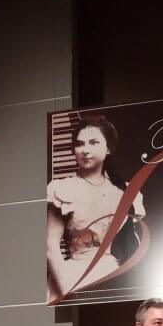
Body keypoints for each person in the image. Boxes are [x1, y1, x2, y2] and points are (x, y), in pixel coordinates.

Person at [46, 115, 145, 303]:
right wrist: (68, 290)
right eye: (79, 144)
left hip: (112, 275)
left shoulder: (124, 191)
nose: (85, 150)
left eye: (93, 142)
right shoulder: (62, 189)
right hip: (71, 276)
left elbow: (131, 245)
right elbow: (50, 246)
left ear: (108, 148)